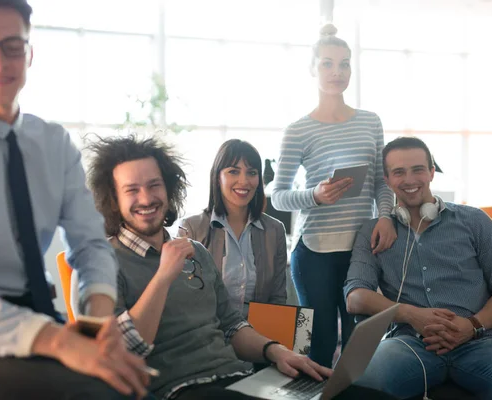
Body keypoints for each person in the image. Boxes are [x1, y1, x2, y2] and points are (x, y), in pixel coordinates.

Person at [0, 1, 150, 399]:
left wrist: (98, 323)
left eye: (13, 45)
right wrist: (63, 344)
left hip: (37, 313)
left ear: (29, 53)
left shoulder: (53, 142)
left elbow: (90, 243)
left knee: (133, 384)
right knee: (102, 394)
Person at [86, 134, 396, 400]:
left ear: (168, 190)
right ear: (113, 199)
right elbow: (120, 350)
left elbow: (232, 324)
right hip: (182, 388)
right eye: (132, 190)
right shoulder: (101, 261)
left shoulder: (196, 253)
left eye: (155, 185)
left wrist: (277, 352)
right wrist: (165, 274)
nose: (147, 198)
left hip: (239, 376)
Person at [345, 136, 492, 399]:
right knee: (359, 383)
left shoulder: (474, 221)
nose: (409, 180)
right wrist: (411, 315)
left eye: (418, 169)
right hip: (410, 344)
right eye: (399, 172)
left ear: (432, 172)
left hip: (481, 341)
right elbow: (356, 297)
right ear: (387, 180)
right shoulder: (373, 232)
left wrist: (472, 325)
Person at [271, 23, 396, 367]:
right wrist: (315, 195)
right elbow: (278, 195)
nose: (337, 72)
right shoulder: (298, 130)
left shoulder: (370, 122)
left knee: (361, 344)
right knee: (318, 343)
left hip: (362, 248)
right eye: (327, 63)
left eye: (344, 64)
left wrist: (385, 216)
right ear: (312, 69)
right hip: (313, 252)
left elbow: (380, 184)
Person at [177, 139, 287, 317]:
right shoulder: (192, 228)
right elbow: (187, 298)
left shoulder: (275, 230)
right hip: (211, 333)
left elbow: (277, 300)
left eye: (251, 172)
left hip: (258, 334)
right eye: (233, 171)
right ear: (217, 177)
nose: (244, 181)